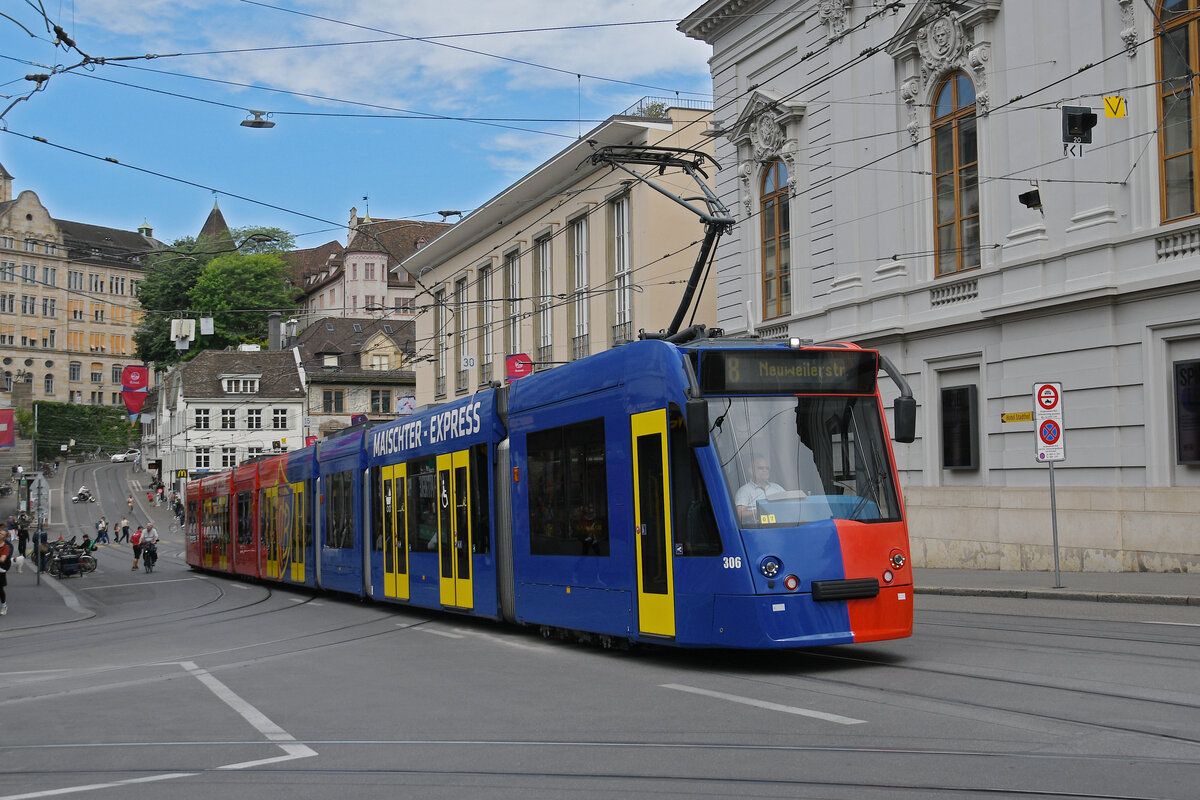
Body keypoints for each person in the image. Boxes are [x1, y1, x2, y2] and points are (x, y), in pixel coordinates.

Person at [735, 454, 787, 524]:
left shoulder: (777, 488)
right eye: (761, 468)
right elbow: (740, 513)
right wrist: (760, 511)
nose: (765, 470)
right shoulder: (744, 490)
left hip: (781, 525)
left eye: (767, 468)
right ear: (751, 470)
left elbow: (790, 506)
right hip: (757, 527)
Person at [0, 528, 12, 615]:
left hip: (1, 570)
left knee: (0, 589)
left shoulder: (6, 547)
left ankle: (4, 606)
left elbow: (2, 559)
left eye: (2, 534)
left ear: (4, 537)